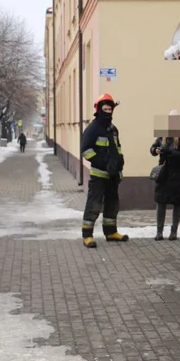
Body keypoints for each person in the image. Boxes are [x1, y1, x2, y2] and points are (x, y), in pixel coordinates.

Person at [81, 94, 128, 247]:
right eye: (105, 109)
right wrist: (103, 163)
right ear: (98, 110)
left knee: (112, 204)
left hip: (113, 175)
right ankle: (87, 235)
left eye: (110, 109)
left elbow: (117, 148)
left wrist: (120, 163)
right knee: (94, 205)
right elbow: (85, 150)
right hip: (99, 175)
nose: (107, 112)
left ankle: (111, 232)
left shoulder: (113, 129)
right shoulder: (93, 128)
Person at [150, 112, 180, 241]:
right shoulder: (163, 134)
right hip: (164, 174)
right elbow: (153, 148)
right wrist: (155, 150)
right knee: (161, 202)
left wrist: (170, 152)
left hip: (178, 173)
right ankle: (159, 232)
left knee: (177, 203)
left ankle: (174, 232)